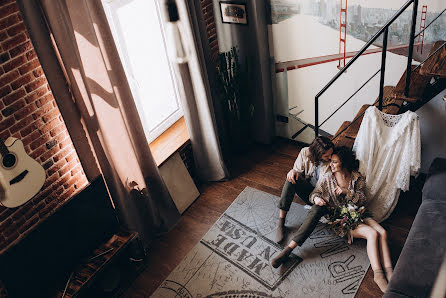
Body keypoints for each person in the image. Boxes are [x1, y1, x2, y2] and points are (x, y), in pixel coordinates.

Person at [272, 146, 393, 293]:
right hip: (342, 218)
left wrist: (347, 192)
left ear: (344, 164)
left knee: (382, 232)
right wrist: (317, 198)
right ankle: (378, 275)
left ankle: (390, 273)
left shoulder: (356, 177)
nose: (331, 164)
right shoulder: (328, 176)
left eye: (335, 162)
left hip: (359, 212)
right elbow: (314, 193)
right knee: (372, 234)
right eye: (331, 161)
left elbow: (362, 199)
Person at [274, 136, 334, 245]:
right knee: (290, 179)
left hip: (321, 196)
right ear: (317, 153)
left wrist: (316, 198)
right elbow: (297, 170)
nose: (330, 157)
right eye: (326, 155)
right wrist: (292, 172)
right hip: (307, 191)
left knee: (318, 208)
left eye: (331, 154)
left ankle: (294, 243)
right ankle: (281, 221)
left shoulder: (331, 163)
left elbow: (325, 187)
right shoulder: (305, 152)